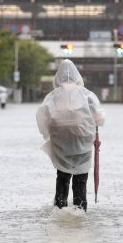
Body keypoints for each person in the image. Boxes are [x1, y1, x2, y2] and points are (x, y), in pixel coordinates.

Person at [36, 59, 105, 211]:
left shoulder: (53, 96)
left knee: (62, 176)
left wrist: (49, 134)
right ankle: (80, 211)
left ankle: (60, 207)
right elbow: (99, 118)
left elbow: (43, 118)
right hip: (83, 142)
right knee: (80, 179)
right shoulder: (86, 95)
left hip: (61, 143)